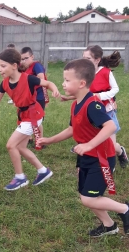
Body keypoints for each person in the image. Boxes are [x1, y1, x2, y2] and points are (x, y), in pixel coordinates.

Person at [38, 58, 129, 237]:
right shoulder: (75, 104)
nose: (62, 83)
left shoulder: (92, 104)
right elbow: (72, 129)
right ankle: (109, 226)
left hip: (101, 157)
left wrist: (89, 144)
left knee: (88, 198)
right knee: (87, 195)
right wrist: (49, 140)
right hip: (87, 157)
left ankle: (125, 209)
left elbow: (110, 126)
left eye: (66, 80)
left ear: (81, 83)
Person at [0, 49, 60, 190]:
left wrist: (55, 89)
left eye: (3, 66)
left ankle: (20, 177)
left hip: (33, 116)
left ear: (15, 65)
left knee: (11, 145)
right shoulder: (4, 83)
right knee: (20, 147)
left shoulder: (28, 78)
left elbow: (47, 83)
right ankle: (43, 171)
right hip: (24, 116)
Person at [61, 45, 128, 168]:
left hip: (106, 111)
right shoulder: (84, 74)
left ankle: (120, 152)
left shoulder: (105, 72)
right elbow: (85, 93)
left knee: (110, 146)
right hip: (89, 111)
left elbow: (115, 89)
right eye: (83, 58)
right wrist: (69, 97)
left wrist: (99, 96)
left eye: (88, 58)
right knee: (91, 136)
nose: (85, 61)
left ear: (97, 60)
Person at [20, 47, 49, 146]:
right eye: (22, 59)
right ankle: (30, 138)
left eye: (26, 58)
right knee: (27, 118)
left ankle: (41, 141)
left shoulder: (36, 66)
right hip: (29, 97)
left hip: (38, 97)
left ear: (32, 57)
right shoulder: (23, 67)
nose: (24, 61)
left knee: (37, 120)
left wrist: (28, 79)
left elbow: (41, 79)